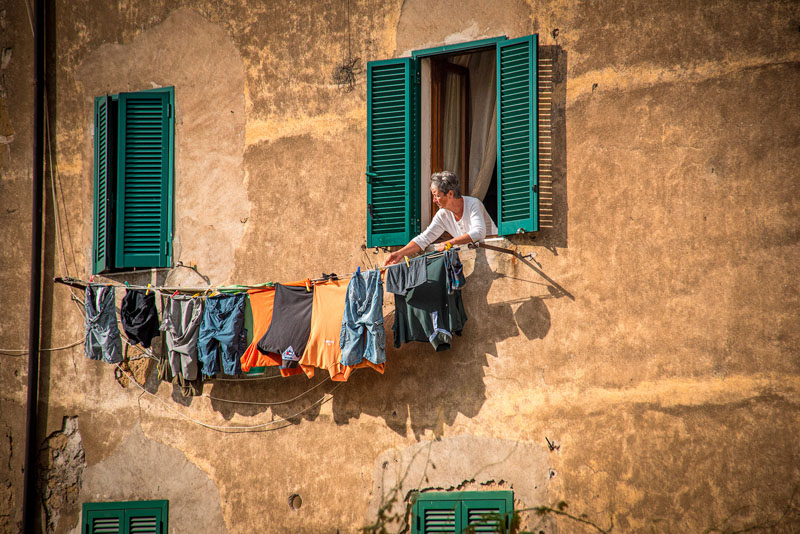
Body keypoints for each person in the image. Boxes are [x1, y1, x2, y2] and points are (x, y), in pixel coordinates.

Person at [384, 171, 497, 266]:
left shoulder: (473, 204)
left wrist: (451, 242)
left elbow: (479, 232)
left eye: (437, 195)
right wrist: (399, 253)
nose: (434, 200)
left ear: (450, 194)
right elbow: (424, 238)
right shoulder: (443, 215)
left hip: (495, 257)